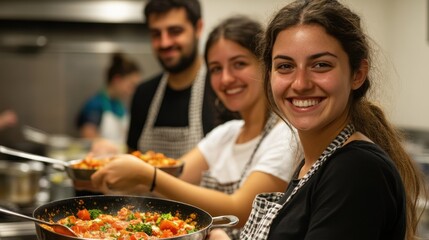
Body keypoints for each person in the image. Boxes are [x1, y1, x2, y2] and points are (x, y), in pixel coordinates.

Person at [209, 0, 427, 239]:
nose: (300, 84)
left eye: (321, 65)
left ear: (358, 74)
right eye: (285, 66)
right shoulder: (311, 164)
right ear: (269, 75)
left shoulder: (356, 170)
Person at [88, 16, 301, 239]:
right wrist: (107, 165)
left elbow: (240, 209)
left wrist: (147, 176)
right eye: (216, 69)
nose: (226, 78)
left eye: (239, 64)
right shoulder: (226, 134)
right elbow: (174, 176)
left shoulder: (286, 135)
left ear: (265, 65)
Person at [127, 0, 228, 159]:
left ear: (198, 28)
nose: (164, 42)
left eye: (175, 31)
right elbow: (132, 155)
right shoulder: (144, 94)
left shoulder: (222, 89)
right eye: (156, 34)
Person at [76, 52, 141, 152]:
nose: (132, 91)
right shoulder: (95, 105)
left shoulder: (120, 106)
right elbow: (88, 138)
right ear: (117, 80)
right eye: (131, 85)